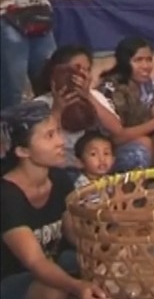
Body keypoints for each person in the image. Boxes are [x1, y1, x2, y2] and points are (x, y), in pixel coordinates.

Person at [0, 101, 108, 299]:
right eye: (49, 136)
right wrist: (77, 286)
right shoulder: (7, 196)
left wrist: (108, 249)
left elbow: (72, 233)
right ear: (23, 151)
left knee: (101, 263)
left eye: (58, 132)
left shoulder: (59, 178)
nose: (60, 142)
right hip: (10, 279)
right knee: (54, 291)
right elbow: (35, 262)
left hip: (51, 262)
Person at [32, 45, 153, 172]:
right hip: (62, 163)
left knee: (140, 147)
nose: (82, 74)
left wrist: (88, 96)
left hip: (97, 161)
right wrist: (58, 108)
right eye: (77, 68)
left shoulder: (95, 96)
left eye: (87, 69)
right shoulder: (41, 103)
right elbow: (41, 141)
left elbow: (117, 130)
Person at [98, 38, 154, 167]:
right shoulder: (110, 87)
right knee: (143, 143)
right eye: (138, 60)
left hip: (146, 140)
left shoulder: (147, 84)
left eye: (149, 59)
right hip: (110, 152)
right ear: (124, 62)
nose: (146, 66)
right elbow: (116, 137)